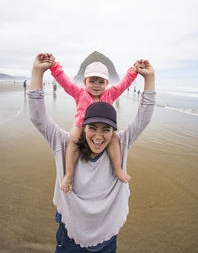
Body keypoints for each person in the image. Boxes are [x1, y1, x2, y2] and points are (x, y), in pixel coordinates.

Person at [28, 53, 155, 252]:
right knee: (73, 141)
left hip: (107, 236)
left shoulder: (120, 144)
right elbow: (38, 117)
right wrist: (39, 71)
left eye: (106, 129)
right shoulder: (64, 143)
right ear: (84, 126)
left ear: (114, 130)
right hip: (70, 234)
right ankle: (68, 175)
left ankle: (116, 167)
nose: (98, 136)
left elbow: (143, 117)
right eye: (92, 128)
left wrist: (147, 77)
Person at [44, 54, 139, 193]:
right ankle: (69, 174)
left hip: (103, 127)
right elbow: (65, 83)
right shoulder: (79, 93)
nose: (96, 85)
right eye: (92, 81)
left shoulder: (110, 94)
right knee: (74, 139)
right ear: (84, 82)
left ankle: (118, 169)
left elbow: (123, 85)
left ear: (107, 83)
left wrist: (133, 72)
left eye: (101, 82)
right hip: (81, 126)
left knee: (113, 138)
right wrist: (54, 67)